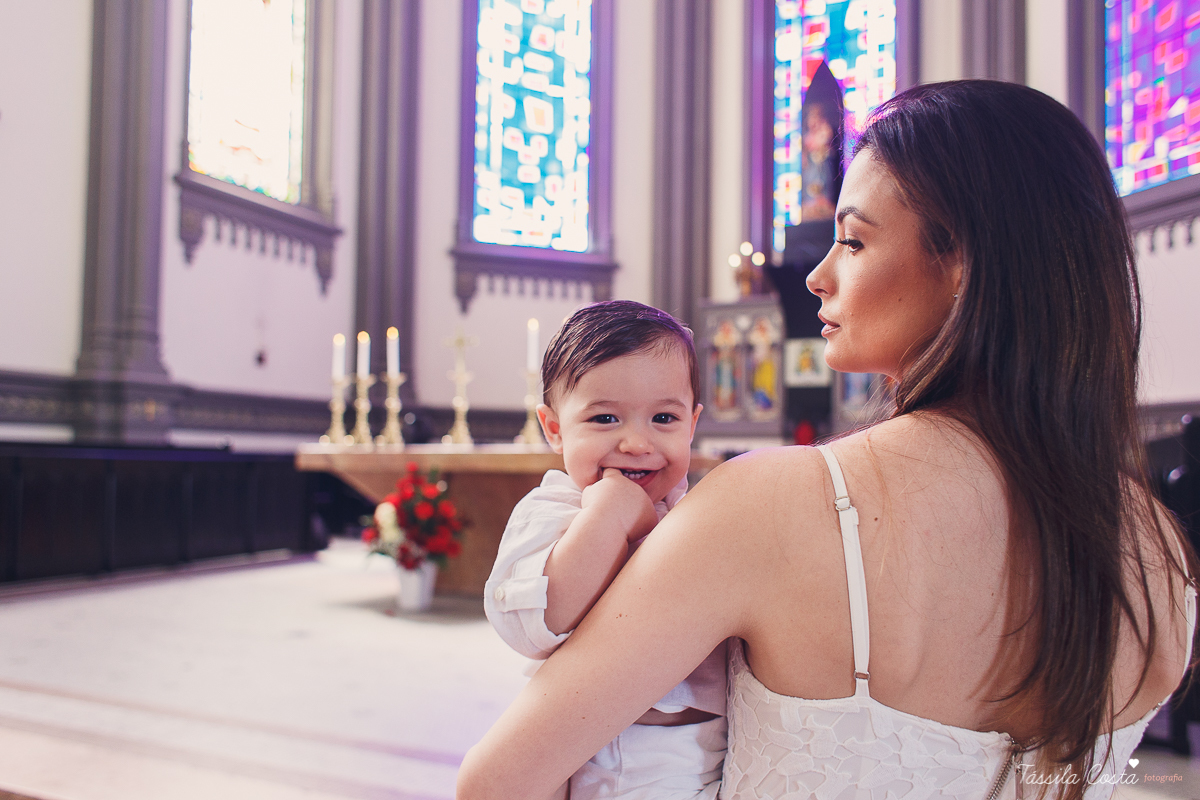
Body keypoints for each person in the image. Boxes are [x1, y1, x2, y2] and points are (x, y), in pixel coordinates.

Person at [458, 81, 1198, 800]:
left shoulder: (771, 505)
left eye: (852, 240)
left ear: (961, 266)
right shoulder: (1161, 560)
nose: (816, 275)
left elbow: (498, 783)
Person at [484, 300, 727, 800]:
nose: (636, 442)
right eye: (605, 418)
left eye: (663, 417)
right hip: (606, 753)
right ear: (554, 428)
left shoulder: (702, 512)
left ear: (693, 424)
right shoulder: (555, 509)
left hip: (709, 750)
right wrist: (610, 515)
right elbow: (536, 620)